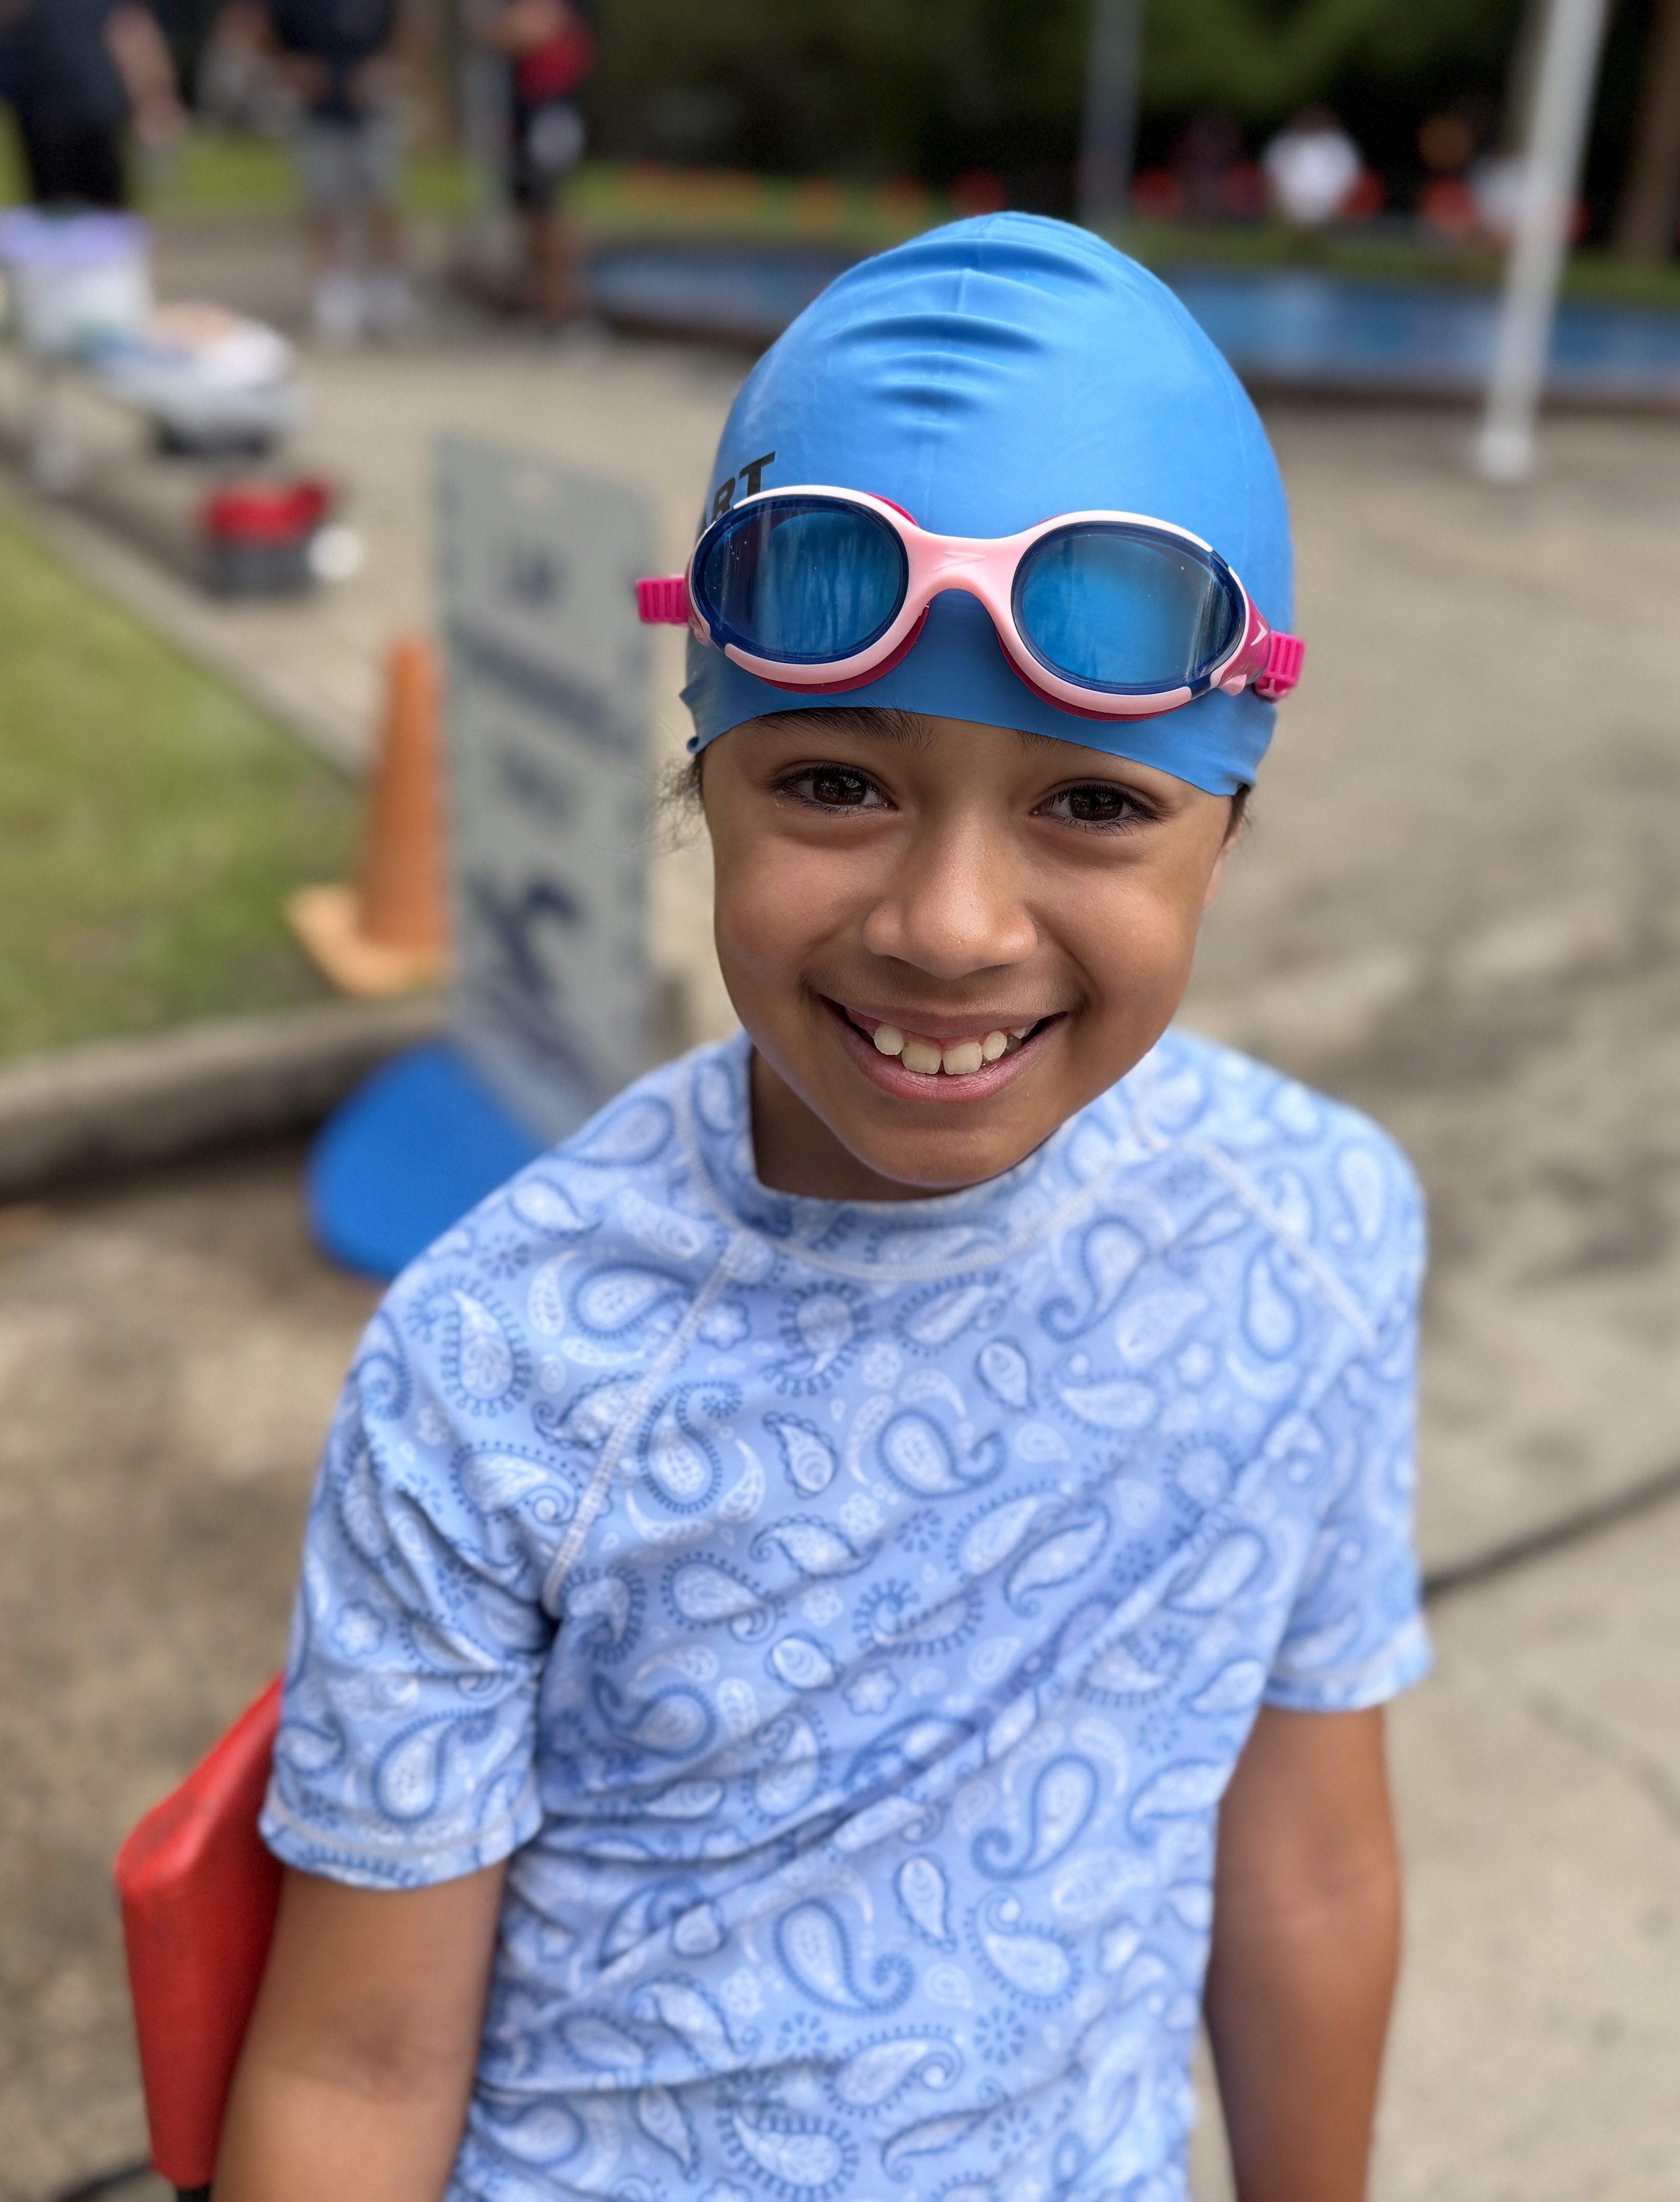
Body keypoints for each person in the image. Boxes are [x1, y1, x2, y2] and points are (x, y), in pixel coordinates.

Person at [213, 215, 1426, 2200]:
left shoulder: (1310, 1234)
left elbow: (1304, 1868)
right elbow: (356, 2064)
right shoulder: (500, 1361)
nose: (948, 925)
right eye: (836, 786)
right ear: (703, 772)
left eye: (1094, 802)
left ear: (1227, 827)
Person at [264, 0, 409, 344]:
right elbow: (260, 32)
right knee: (322, 202)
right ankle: (333, 294)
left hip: (371, 110)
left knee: (383, 198)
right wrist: (289, 70)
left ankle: (385, 290)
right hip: (319, 113)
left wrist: (387, 69)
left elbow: (403, 33)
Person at [0, 0, 184, 212]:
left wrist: (154, 98)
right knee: (56, 212)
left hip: (88, 113)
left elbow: (136, 35)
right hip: (45, 111)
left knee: (99, 211)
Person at [482, 0, 587, 323]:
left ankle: (565, 310)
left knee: (551, 211)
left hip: (552, 113)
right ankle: (537, 306)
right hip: (524, 115)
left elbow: (525, 33)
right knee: (528, 212)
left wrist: (504, 30)